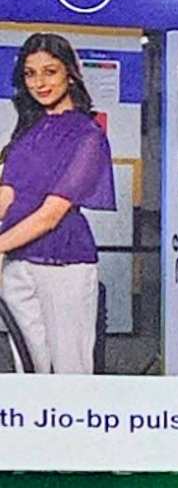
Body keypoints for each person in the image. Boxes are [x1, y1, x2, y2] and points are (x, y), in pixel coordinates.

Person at [0, 33, 116, 375]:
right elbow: (7, 195)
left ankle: (76, 429)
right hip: (15, 262)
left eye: (50, 71)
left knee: (70, 368)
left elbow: (51, 215)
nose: (40, 82)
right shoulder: (28, 131)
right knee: (28, 365)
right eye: (30, 73)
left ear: (71, 73)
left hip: (63, 262)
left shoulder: (87, 135)